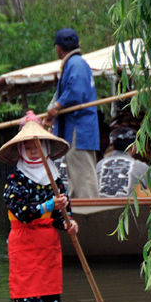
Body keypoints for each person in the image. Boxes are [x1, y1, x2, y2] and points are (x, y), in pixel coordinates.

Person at [0, 112, 78, 302]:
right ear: (21, 150)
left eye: (38, 147)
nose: (34, 152)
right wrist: (47, 206)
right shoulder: (16, 179)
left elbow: (62, 214)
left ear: (46, 147)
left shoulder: (54, 178)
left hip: (48, 247)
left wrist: (69, 222)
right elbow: (20, 211)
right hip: (25, 245)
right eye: (29, 147)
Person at [45, 28, 100, 197]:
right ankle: (76, 208)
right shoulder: (76, 63)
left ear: (59, 48)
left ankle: (90, 210)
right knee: (76, 171)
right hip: (77, 127)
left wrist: (57, 106)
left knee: (82, 172)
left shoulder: (75, 63)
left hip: (79, 128)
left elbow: (76, 91)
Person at [96, 124, 151, 196]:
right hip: (129, 206)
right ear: (133, 147)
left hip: (100, 206)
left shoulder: (99, 164)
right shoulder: (141, 167)